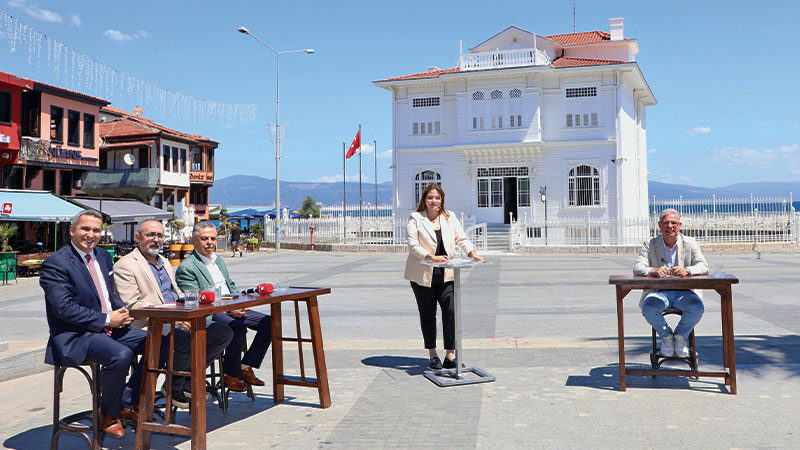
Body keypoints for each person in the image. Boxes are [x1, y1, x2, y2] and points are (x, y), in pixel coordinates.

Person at [40, 209, 145, 438]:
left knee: (160, 343)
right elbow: (63, 308)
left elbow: (106, 295)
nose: (90, 234)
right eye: (85, 229)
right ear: (72, 229)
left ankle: (127, 401)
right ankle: (109, 413)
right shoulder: (56, 263)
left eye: (96, 230)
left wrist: (121, 310)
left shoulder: (103, 256)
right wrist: (107, 318)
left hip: (110, 328)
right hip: (77, 336)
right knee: (120, 355)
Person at [113, 219, 234, 409]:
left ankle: (185, 380)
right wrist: (174, 319)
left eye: (160, 235)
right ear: (138, 237)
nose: (156, 239)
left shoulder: (164, 262)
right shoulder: (126, 265)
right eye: (150, 235)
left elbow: (177, 294)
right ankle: (175, 386)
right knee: (185, 338)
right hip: (150, 323)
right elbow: (134, 305)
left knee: (223, 332)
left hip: (177, 319)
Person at [176, 221, 272, 392]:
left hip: (231, 305)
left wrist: (241, 305)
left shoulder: (218, 260)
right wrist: (229, 310)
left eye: (213, 238)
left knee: (270, 323)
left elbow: (231, 286)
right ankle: (230, 373)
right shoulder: (187, 267)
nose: (210, 243)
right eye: (204, 238)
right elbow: (197, 299)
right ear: (194, 241)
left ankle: (246, 366)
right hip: (210, 312)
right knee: (237, 328)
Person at [404, 183, 483, 370]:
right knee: (428, 314)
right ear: (424, 199)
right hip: (423, 274)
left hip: (447, 274)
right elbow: (412, 245)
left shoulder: (450, 217)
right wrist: (430, 256)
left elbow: (462, 238)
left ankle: (450, 355)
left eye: (437, 198)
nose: (434, 201)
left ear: (442, 200)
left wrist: (472, 253)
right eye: (430, 197)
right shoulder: (416, 218)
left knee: (450, 313)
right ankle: (432, 355)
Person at [633, 208, 708, 358]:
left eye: (674, 223)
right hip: (659, 292)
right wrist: (652, 271)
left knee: (697, 308)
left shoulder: (690, 242)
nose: (670, 226)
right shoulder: (650, 244)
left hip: (685, 292)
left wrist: (687, 270)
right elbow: (637, 267)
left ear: (679, 225)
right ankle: (666, 338)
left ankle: (680, 338)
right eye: (666, 223)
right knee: (648, 308)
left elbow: (703, 266)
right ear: (660, 225)